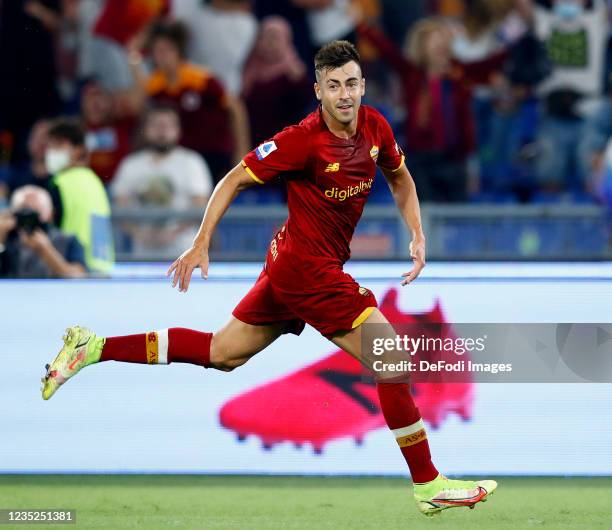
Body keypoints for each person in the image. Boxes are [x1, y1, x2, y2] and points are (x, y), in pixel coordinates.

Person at [41, 41, 497, 516]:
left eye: (352, 84)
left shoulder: (376, 126)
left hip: (292, 266)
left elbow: (400, 178)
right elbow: (233, 178)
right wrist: (201, 242)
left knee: (222, 353)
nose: (345, 94)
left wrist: (417, 234)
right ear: (318, 89)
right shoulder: (301, 140)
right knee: (393, 360)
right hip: (307, 269)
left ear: (363, 85)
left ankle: (93, 347)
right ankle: (428, 483)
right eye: (334, 85)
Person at [357, 17, 508, 202]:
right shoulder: (412, 75)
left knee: (457, 215)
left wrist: (514, 46)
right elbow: (388, 52)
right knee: (424, 213)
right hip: (420, 159)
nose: (440, 46)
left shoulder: (459, 75)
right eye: (434, 40)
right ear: (423, 47)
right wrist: (363, 26)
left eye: (443, 40)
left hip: (453, 159)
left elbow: (488, 65)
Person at [131, 20, 250, 183]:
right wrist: (133, 55)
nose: (161, 57)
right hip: (181, 159)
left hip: (215, 153)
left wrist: (242, 151)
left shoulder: (201, 79)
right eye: (157, 52)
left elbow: (236, 109)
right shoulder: (156, 84)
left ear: (178, 51)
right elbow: (138, 103)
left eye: (166, 50)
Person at [111, 105, 213, 255]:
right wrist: (139, 234)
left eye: (168, 125)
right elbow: (120, 206)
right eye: (156, 125)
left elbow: (202, 207)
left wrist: (173, 234)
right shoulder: (130, 165)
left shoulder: (192, 162)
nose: (162, 130)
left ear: (178, 130)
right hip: (142, 255)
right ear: (145, 130)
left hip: (184, 254)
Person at [46, 119, 115, 274]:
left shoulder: (60, 183)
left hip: (74, 267)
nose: (51, 151)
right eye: (49, 145)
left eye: (58, 145)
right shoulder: (95, 181)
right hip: (102, 268)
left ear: (78, 150)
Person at [242, 16, 313, 147]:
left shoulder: (294, 72)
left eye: (274, 38)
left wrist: (298, 79)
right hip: (253, 145)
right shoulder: (250, 69)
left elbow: (304, 104)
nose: (269, 43)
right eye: (264, 37)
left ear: (285, 40)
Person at [0, 185, 86, 278]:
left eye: (34, 213)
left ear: (50, 214)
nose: (28, 220)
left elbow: (78, 278)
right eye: (23, 212)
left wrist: (46, 250)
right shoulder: (8, 238)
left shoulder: (68, 240)